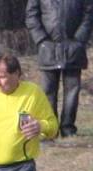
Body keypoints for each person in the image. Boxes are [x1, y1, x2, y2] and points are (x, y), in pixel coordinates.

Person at [26, 0, 93, 138]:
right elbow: (31, 15)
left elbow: (89, 14)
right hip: (48, 49)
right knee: (48, 91)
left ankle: (68, 129)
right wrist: (41, 39)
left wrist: (79, 40)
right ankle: (51, 129)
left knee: (72, 91)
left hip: (74, 48)